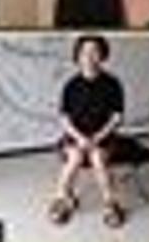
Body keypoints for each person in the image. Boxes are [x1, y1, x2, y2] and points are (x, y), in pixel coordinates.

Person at [45, 34, 136, 230]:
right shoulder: (70, 85)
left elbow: (117, 118)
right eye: (84, 51)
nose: (89, 56)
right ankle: (62, 198)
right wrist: (80, 138)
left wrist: (96, 138)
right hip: (76, 135)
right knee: (75, 157)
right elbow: (64, 118)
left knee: (97, 158)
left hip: (103, 135)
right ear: (77, 56)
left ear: (103, 55)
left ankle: (110, 203)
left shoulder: (113, 83)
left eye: (95, 51)